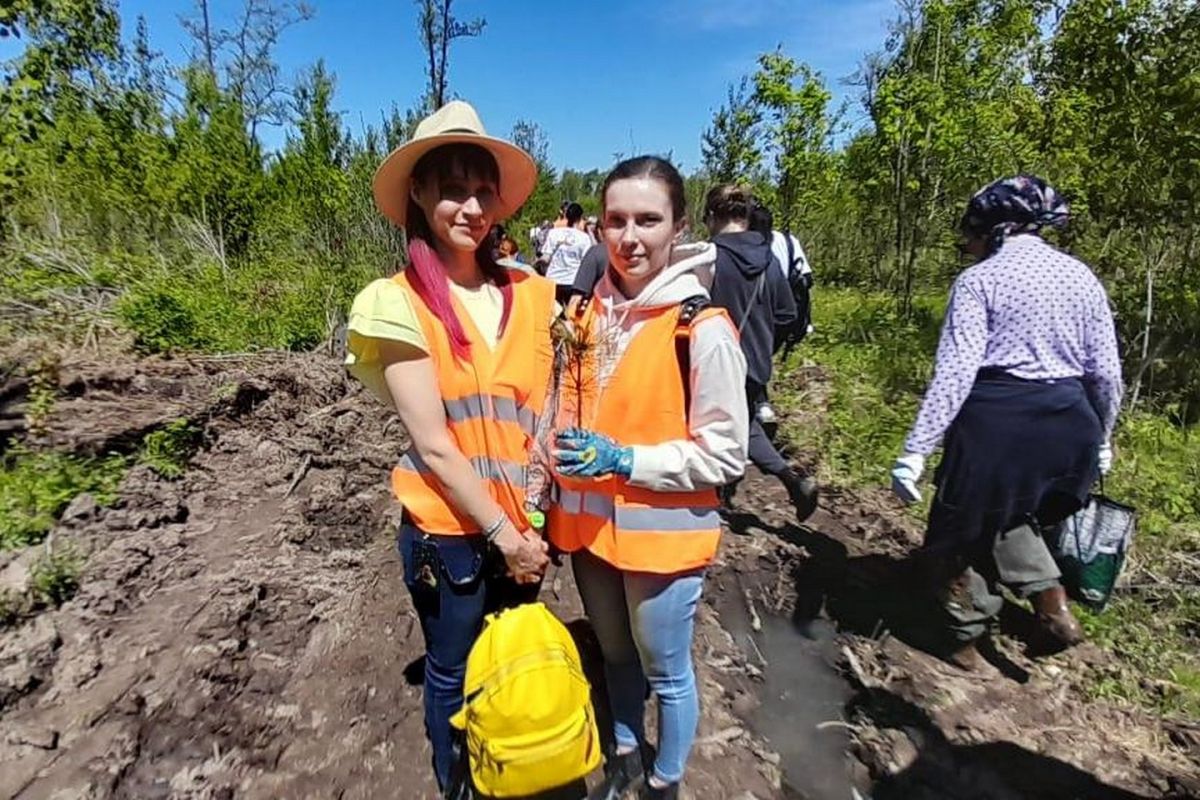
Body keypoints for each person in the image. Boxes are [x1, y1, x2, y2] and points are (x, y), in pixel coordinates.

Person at [344, 100, 553, 792]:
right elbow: (433, 446)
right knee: (454, 670)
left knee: (514, 662)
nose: (470, 205)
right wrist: (505, 537)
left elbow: (548, 412)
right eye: (452, 188)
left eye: (482, 189)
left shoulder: (531, 294)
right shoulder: (396, 302)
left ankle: (513, 770)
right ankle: (457, 782)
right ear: (420, 194)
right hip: (453, 534)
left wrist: (535, 520)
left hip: (524, 524)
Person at [548, 156, 749, 800]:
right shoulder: (582, 319)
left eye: (648, 220)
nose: (630, 237)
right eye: (615, 220)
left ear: (678, 227)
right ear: (599, 227)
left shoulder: (702, 329)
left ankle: (666, 782)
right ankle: (628, 751)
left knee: (668, 672)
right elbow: (562, 411)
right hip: (590, 532)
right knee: (615, 657)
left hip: (661, 540)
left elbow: (725, 455)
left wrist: (627, 460)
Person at [890, 174, 1123, 669]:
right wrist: (1102, 434)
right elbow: (1105, 372)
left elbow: (956, 372)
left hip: (998, 424)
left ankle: (963, 640)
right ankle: (1054, 608)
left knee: (961, 527)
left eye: (970, 235)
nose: (968, 246)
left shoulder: (980, 281)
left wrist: (916, 449)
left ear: (993, 230)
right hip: (1069, 422)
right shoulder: (1082, 277)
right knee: (1013, 517)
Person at [706, 185, 818, 522]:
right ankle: (790, 480)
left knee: (716, 425)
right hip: (755, 362)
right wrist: (764, 344)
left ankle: (716, 493)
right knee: (745, 424)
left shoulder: (709, 258)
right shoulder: (769, 260)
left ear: (711, 217)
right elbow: (787, 314)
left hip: (713, 362)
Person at [540, 201, 593, 302]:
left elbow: (545, 258)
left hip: (552, 280)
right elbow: (586, 263)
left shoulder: (553, 233)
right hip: (572, 282)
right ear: (580, 218)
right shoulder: (584, 238)